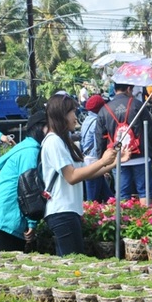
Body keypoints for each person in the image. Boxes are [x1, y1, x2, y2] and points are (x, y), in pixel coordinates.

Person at [42, 93, 123, 256]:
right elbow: (72, 176)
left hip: (69, 211)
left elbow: (86, 173)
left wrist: (115, 162)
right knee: (72, 263)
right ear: (62, 115)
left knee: (70, 262)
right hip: (61, 212)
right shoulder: (53, 141)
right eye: (72, 112)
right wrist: (102, 161)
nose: (75, 117)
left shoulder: (63, 141)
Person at [0, 111, 48, 252]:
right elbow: (30, 189)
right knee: (12, 260)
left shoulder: (25, 147)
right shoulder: (30, 152)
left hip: (2, 211)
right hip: (7, 214)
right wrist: (32, 222)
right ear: (41, 128)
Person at [95, 82, 152, 201]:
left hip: (118, 158)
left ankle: (124, 213)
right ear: (128, 89)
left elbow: (100, 137)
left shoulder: (104, 110)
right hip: (141, 155)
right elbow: (149, 131)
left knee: (122, 194)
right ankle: (146, 213)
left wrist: (102, 160)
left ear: (115, 89)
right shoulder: (138, 105)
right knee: (145, 192)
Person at [79, 95, 109, 203]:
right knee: (92, 200)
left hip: (87, 159)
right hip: (94, 161)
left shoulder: (87, 120)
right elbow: (98, 144)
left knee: (108, 197)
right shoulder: (97, 122)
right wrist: (102, 164)